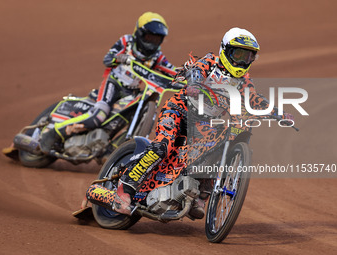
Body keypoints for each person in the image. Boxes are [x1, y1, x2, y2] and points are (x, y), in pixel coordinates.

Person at [95, 27, 294, 218]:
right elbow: (196, 71)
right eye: (239, 55)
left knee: (215, 148)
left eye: (248, 56)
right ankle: (125, 187)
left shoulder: (244, 82)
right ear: (225, 50)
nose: (243, 61)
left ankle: (200, 194)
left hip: (201, 124)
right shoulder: (210, 62)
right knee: (161, 147)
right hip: (178, 111)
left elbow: (255, 100)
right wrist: (194, 84)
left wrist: (279, 113)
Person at [40, 12, 177, 153]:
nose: (152, 42)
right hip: (114, 84)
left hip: (132, 92)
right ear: (140, 33)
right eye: (149, 37)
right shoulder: (127, 42)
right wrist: (121, 58)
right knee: (99, 116)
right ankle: (54, 133)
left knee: (128, 116)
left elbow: (171, 70)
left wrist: (187, 76)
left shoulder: (157, 56)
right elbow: (107, 59)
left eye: (156, 39)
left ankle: (113, 150)